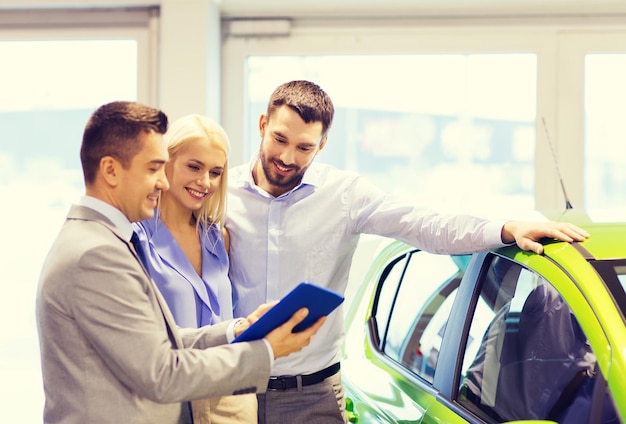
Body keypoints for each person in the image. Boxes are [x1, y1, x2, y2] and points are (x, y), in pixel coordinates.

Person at [224, 80, 590, 424]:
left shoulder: (345, 196)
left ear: (321, 145)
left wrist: (506, 228)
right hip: (230, 389)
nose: (287, 157)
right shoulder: (221, 195)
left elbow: (427, 225)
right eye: (279, 139)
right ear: (262, 125)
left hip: (313, 397)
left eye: (303, 147)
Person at [35, 100, 325, 424]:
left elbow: (163, 341)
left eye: (215, 172)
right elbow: (162, 372)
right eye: (153, 168)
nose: (161, 182)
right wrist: (267, 351)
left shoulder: (106, 241)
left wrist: (237, 329)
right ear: (111, 170)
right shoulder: (96, 254)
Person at [133, 114, 257, 423]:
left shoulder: (218, 239)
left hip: (226, 402)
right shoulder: (137, 240)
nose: (205, 182)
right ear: (166, 162)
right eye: (194, 167)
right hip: (165, 405)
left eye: (215, 172)